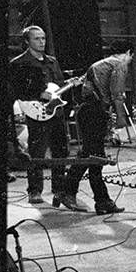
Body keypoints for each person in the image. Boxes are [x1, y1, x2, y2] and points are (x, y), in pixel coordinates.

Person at [10, 25, 79, 208]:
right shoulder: (19, 63)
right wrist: (39, 93)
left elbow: (57, 85)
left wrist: (68, 84)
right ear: (27, 41)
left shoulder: (52, 61)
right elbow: (16, 90)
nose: (41, 42)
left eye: (43, 38)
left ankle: (59, 189)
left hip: (55, 112)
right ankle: (34, 191)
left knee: (60, 151)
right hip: (36, 112)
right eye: (36, 39)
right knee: (37, 152)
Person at [62, 40, 133, 214]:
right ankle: (70, 192)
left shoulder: (102, 63)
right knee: (93, 156)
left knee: (93, 156)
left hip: (88, 111)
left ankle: (102, 201)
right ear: (129, 52)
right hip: (94, 113)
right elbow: (117, 94)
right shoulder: (119, 64)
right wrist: (121, 119)